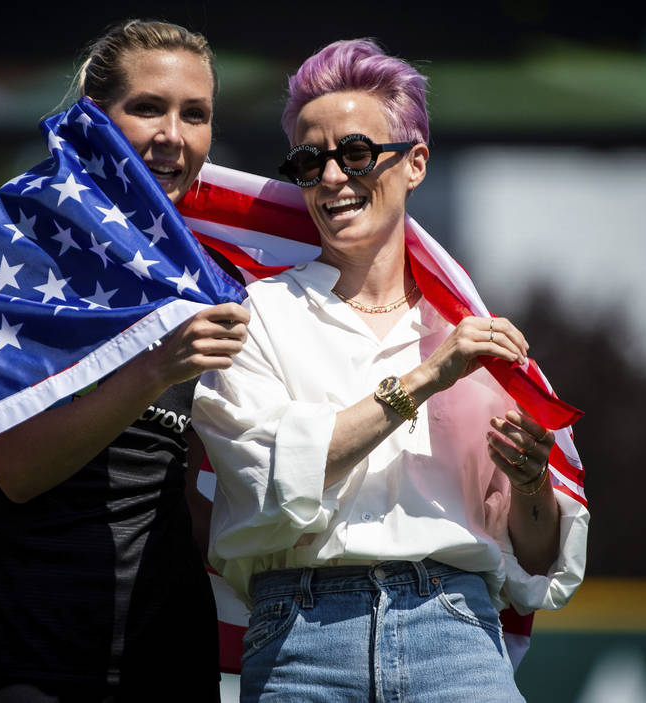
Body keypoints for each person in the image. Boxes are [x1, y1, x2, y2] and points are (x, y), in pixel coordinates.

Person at [193, 39, 588, 701]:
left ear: (416, 163)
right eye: (309, 161)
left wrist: (529, 485)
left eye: (354, 154)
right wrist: (426, 378)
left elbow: (539, 563)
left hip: (458, 638)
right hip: (300, 645)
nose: (332, 179)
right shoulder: (253, 316)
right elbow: (272, 481)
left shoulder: (474, 336)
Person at [0, 20, 250, 702]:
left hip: (169, 655)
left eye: (194, 114)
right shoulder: (20, 247)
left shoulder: (209, 277)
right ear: (94, 116)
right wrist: (155, 370)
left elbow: (185, 491)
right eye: (148, 107)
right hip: (27, 656)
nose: (174, 134)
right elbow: (17, 470)